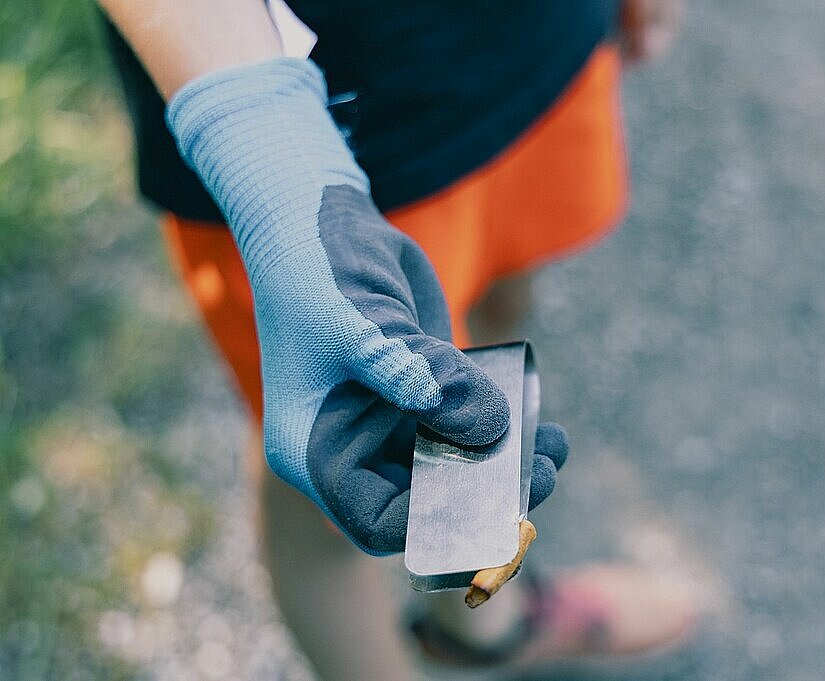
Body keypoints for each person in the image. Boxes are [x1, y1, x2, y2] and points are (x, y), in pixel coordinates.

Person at [99, 1, 698, 678]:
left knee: (496, 324)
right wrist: (269, 161)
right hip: (302, 124)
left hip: (535, 45)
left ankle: (485, 622)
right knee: (345, 465)